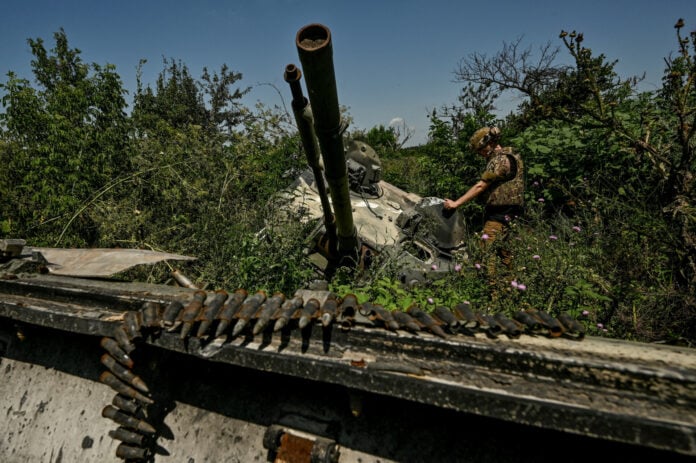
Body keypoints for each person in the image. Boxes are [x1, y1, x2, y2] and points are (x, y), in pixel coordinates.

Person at [443, 126, 525, 276]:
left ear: (489, 144)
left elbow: (480, 186)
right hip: (510, 214)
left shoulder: (501, 160)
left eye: (480, 150)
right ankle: (509, 290)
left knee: (486, 253)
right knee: (505, 254)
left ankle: (492, 293)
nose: (480, 154)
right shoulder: (511, 155)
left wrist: (456, 203)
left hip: (500, 215)